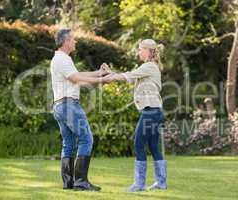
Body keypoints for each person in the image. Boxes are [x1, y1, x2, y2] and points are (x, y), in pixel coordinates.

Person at [102, 39, 167, 192]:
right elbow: (130, 77)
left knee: (138, 144)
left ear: (149, 51)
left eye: (140, 49)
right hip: (155, 112)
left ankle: (139, 184)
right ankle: (161, 182)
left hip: (150, 112)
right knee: (153, 147)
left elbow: (128, 76)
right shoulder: (149, 67)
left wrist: (103, 78)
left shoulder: (149, 66)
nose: (139, 52)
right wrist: (111, 74)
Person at [50, 28, 109, 191]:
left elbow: (78, 79)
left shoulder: (61, 59)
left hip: (60, 106)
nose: (75, 42)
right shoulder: (62, 59)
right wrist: (101, 78)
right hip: (69, 106)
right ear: (66, 41)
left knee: (68, 143)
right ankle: (81, 181)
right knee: (86, 138)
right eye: (73, 39)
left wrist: (99, 75)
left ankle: (68, 182)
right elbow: (77, 78)